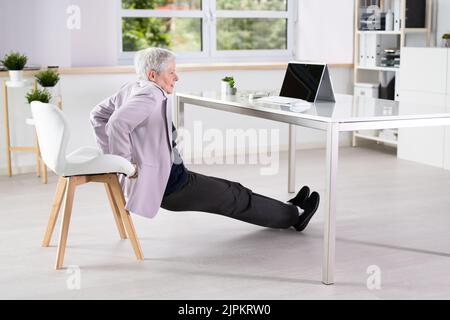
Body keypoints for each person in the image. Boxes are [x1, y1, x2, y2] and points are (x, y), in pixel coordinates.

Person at [90, 47, 320, 232]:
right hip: (172, 186)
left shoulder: (131, 87)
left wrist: (112, 157)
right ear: (153, 75)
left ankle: (287, 208)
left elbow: (97, 115)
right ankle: (294, 216)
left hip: (172, 177)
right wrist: (125, 163)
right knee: (235, 198)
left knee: (234, 190)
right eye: (171, 72)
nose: (176, 77)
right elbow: (118, 123)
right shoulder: (150, 94)